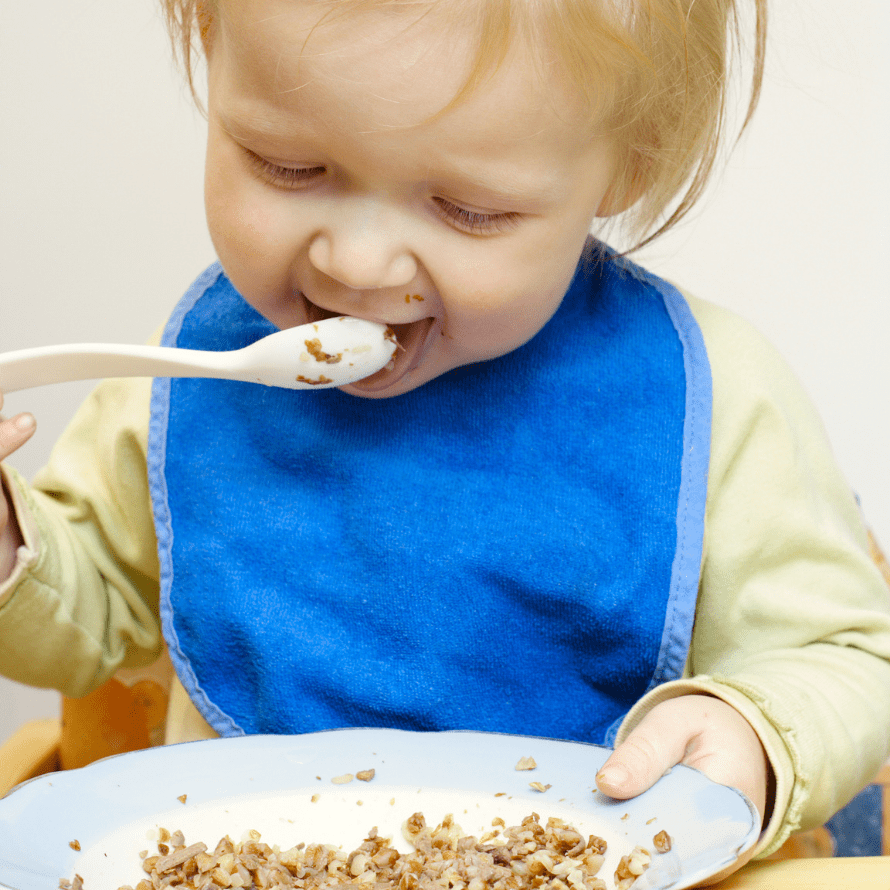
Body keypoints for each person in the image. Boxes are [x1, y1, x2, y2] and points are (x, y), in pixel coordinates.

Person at [1, 0, 889, 874]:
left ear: (629, 164)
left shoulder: (711, 394)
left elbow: (846, 656)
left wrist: (755, 731)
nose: (356, 266)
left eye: (469, 209)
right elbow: (85, 611)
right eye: (286, 166)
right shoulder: (192, 373)